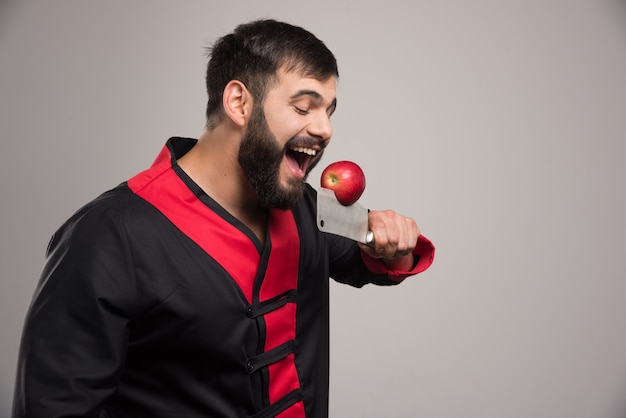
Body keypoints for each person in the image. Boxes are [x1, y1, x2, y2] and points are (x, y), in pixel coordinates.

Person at [12, 19, 435, 418]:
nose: (325, 129)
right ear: (238, 102)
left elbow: (371, 257)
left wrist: (392, 242)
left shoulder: (306, 205)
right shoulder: (107, 236)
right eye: (305, 107)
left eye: (330, 110)